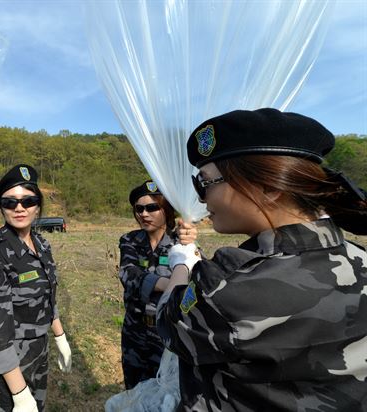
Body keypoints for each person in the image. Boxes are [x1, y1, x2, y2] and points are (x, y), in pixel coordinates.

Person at [156, 108, 367, 411]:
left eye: (205, 183)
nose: (202, 199)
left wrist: (181, 262)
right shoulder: (359, 257)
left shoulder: (229, 287)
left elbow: (168, 321)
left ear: (268, 188)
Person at [0, 164, 72, 412]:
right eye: (10, 202)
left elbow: (48, 297)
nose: (19, 208)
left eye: (28, 201)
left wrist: (60, 336)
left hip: (38, 352)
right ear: (0, 206)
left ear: (38, 206)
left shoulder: (42, 245)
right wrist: (19, 393)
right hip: (8, 368)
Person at [118, 181, 196, 389]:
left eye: (152, 207)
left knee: (166, 393)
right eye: (139, 208)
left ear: (166, 209)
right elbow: (129, 275)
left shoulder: (180, 243)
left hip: (167, 335)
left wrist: (191, 247)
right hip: (135, 333)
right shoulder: (130, 240)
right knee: (133, 391)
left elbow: (195, 278)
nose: (144, 214)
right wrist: (172, 283)